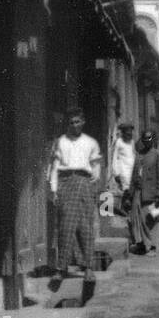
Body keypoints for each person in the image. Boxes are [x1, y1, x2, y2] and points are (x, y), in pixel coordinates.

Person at [49, 108, 103, 276]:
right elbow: (54, 167)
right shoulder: (60, 142)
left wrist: (92, 181)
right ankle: (62, 267)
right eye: (71, 122)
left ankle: (88, 267)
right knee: (66, 225)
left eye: (77, 121)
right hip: (65, 182)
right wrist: (54, 190)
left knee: (86, 225)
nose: (74, 125)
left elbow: (96, 166)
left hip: (84, 182)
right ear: (68, 124)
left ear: (83, 122)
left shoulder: (91, 142)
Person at [127, 128, 159, 254]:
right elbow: (134, 174)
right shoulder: (139, 154)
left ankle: (152, 246)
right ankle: (141, 243)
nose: (146, 141)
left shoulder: (157, 155)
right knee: (136, 218)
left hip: (151, 193)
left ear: (153, 140)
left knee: (150, 219)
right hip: (138, 192)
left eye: (149, 138)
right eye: (144, 138)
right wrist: (130, 193)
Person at [110, 122, 136, 208]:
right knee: (126, 188)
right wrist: (116, 172)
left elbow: (133, 154)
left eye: (130, 133)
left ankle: (129, 207)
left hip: (131, 167)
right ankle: (124, 207)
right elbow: (114, 157)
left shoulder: (132, 142)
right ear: (123, 133)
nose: (129, 135)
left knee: (132, 188)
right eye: (127, 133)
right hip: (123, 168)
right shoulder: (119, 142)